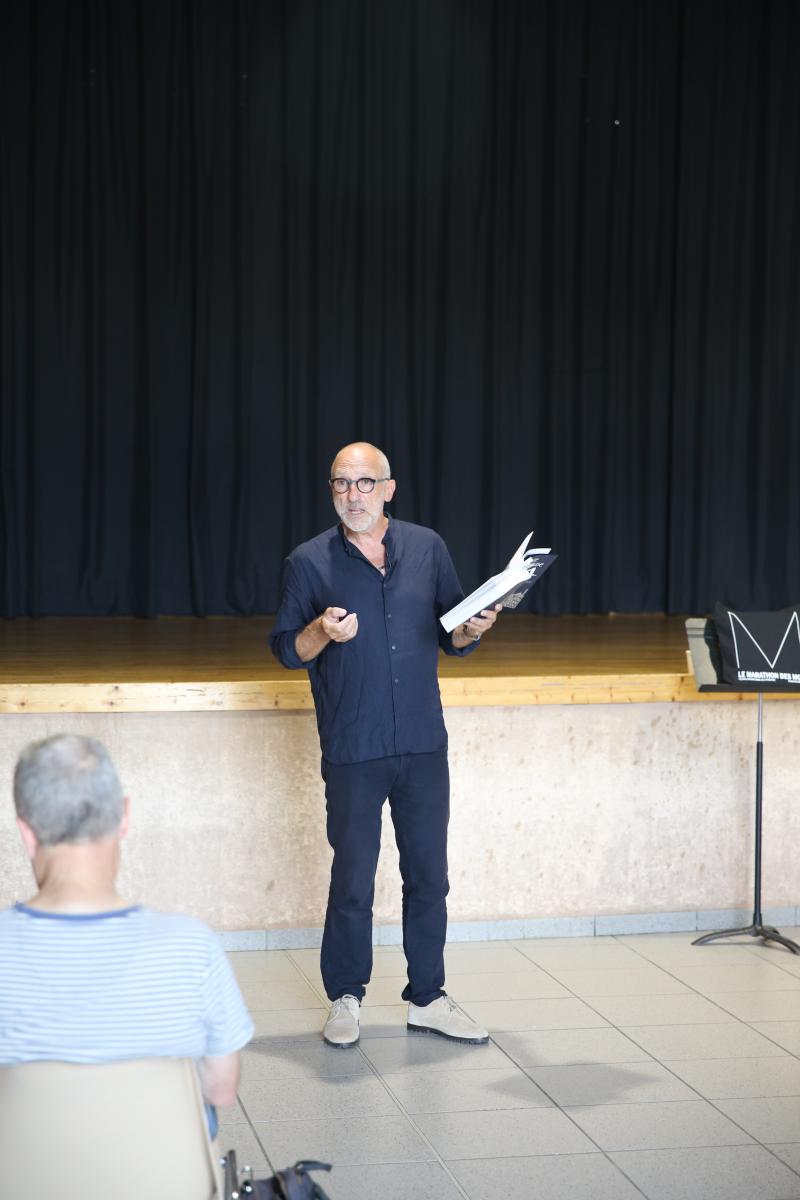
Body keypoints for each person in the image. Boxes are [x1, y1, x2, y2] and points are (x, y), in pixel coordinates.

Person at [270, 441, 500, 1048]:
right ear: (332, 490)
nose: (353, 495)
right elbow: (288, 650)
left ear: (388, 489)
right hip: (354, 743)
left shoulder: (427, 548)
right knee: (352, 880)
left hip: (422, 741)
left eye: (365, 483)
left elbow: (453, 635)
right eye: (342, 483)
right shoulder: (308, 562)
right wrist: (322, 630)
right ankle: (345, 998)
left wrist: (475, 627)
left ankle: (428, 998)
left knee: (429, 877)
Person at [0, 734, 253, 1136]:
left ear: (26, 834)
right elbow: (221, 1090)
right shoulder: (192, 947)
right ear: (124, 817)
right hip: (164, 1170)